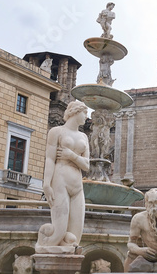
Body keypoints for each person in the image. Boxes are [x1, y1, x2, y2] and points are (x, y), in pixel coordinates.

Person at [36, 100, 90, 253]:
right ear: (75, 112)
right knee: (59, 232)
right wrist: (46, 184)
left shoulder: (84, 137)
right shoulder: (56, 132)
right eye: (85, 113)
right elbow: (50, 159)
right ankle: (44, 248)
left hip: (77, 185)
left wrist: (71, 155)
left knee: (75, 236)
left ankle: (68, 262)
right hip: (60, 180)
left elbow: (86, 166)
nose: (87, 117)